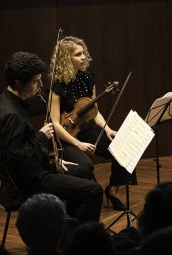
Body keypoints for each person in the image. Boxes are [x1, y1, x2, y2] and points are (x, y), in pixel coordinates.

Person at [0, 52, 102, 224]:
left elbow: (22, 146)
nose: (40, 86)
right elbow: (17, 159)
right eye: (35, 81)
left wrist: (53, 161)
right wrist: (41, 137)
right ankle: (78, 239)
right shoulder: (12, 115)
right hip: (29, 182)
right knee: (94, 191)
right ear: (18, 83)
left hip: (34, 169)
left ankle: (68, 229)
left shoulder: (7, 101)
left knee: (84, 172)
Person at [47, 36, 135, 211]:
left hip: (86, 131)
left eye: (84, 53)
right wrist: (78, 144)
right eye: (78, 54)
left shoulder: (87, 79)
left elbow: (94, 112)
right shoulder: (56, 86)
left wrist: (108, 129)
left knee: (125, 147)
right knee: (86, 165)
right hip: (65, 138)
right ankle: (84, 199)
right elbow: (55, 123)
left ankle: (113, 190)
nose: (83, 57)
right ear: (66, 58)